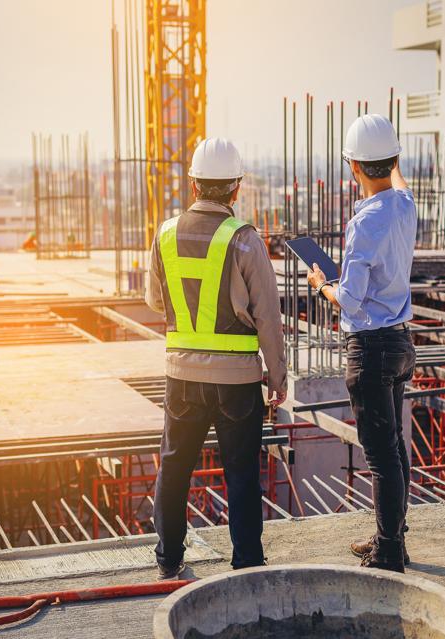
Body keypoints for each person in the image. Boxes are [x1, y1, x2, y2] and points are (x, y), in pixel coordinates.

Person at [146, 138, 287, 579]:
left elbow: (154, 301)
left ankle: (169, 557)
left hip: (181, 376)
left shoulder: (165, 233)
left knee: (174, 466)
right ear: (236, 188)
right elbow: (268, 315)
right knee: (241, 473)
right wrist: (278, 376)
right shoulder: (245, 240)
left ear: (193, 185)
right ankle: (246, 563)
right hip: (237, 382)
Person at [307, 114, 417, 573]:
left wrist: (320, 283)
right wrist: (388, 157)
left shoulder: (365, 222)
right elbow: (398, 181)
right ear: (393, 160)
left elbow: (350, 302)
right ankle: (391, 536)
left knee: (381, 455)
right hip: (400, 343)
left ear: (352, 167)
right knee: (394, 447)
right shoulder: (406, 206)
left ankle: (389, 550)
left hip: (370, 349)